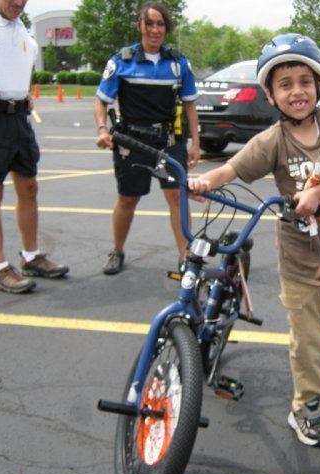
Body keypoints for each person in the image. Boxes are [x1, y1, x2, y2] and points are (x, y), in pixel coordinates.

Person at [189, 33, 320, 447]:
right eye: (285, 84)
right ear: (270, 94)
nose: (297, 91)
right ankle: (310, 410)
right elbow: (231, 169)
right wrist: (204, 182)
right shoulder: (273, 141)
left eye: (305, 81)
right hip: (300, 260)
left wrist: (317, 192)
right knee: (309, 343)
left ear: (318, 84)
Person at [0, 0, 69, 294]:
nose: (19, 3)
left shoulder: (21, 29)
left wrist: (21, 94)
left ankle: (31, 256)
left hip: (19, 118)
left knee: (29, 187)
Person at [94, 1, 200, 275]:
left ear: (167, 28)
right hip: (131, 143)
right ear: (139, 25)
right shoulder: (122, 61)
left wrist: (195, 143)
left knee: (177, 198)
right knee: (128, 199)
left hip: (169, 142)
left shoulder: (178, 63)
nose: (155, 29)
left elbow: (190, 105)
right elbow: (101, 102)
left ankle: (185, 256)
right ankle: (117, 250)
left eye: (160, 24)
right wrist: (102, 130)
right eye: (149, 23)